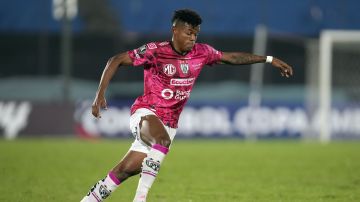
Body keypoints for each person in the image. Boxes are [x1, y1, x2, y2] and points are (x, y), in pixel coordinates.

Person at [80, 8, 293, 202]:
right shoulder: (155, 51)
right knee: (160, 139)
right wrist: (99, 95)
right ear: (175, 30)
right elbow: (115, 60)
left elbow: (232, 57)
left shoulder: (202, 53)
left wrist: (269, 59)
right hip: (146, 113)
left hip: (170, 124)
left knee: (124, 171)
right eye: (188, 32)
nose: (192, 37)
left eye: (195, 34)